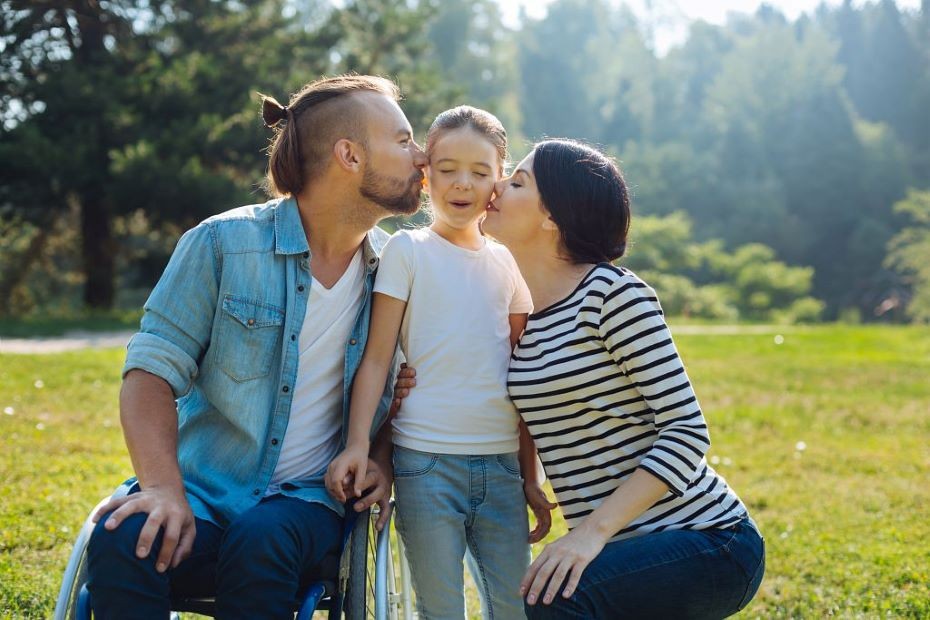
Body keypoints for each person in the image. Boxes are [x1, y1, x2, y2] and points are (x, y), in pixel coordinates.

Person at [85, 74, 423, 619]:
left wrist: (380, 459)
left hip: (306, 509)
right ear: (349, 155)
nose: (423, 156)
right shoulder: (221, 244)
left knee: (264, 536)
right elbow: (149, 373)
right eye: (405, 140)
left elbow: (399, 393)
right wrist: (164, 491)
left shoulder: (401, 274)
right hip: (203, 497)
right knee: (123, 535)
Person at [482, 139, 765, 619]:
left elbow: (687, 432)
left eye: (517, 182)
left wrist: (591, 532)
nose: (496, 187)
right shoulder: (523, 312)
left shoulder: (612, 295)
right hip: (626, 548)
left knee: (554, 600)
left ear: (552, 216)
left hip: (709, 540)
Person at [325, 105, 553, 620]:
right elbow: (377, 359)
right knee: (441, 610)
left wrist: (530, 476)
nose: (462, 184)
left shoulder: (508, 262)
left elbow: (524, 374)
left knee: (517, 610)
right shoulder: (408, 251)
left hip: (500, 470)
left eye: (479, 172)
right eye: (447, 169)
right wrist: (360, 444)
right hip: (425, 464)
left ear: (500, 179)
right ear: (425, 174)